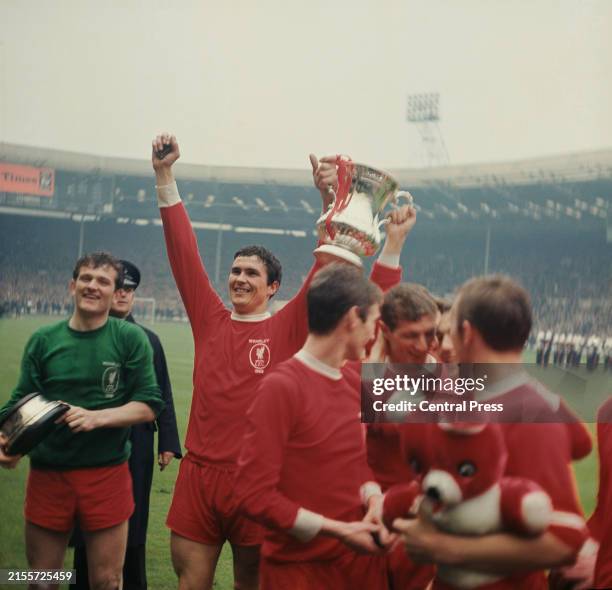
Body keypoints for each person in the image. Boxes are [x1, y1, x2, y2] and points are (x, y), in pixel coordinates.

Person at [151, 133, 414, 590]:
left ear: (273, 287)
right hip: (199, 476)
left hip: (255, 479)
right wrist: (165, 176)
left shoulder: (289, 324)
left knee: (252, 584)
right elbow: (184, 256)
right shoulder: (210, 319)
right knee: (189, 584)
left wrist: (335, 201)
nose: (239, 279)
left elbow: (330, 269)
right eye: (235, 271)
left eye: (251, 273)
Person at [393, 275, 589, 587]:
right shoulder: (470, 398)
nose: (444, 344)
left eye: (450, 330)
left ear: (467, 332)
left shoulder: (530, 414)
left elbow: (563, 542)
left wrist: (444, 549)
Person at [0, 252, 164, 590]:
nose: (93, 285)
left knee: (106, 580)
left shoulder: (129, 339)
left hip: (106, 475)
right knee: (44, 580)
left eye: (103, 280)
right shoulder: (44, 340)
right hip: (49, 475)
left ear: (114, 290)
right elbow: (19, 402)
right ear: (72, 285)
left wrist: (96, 418)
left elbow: (149, 404)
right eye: (86, 278)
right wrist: (6, 440)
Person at [235, 263, 392, 589]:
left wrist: (374, 497)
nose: (373, 334)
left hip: (357, 566)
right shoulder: (282, 387)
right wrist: (337, 529)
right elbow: (253, 495)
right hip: (298, 572)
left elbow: (353, 465)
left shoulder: (351, 380)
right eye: (373, 323)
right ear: (352, 319)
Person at [71, 259, 182, 590]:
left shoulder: (148, 339)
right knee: (86, 523)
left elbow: (163, 392)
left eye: (128, 290)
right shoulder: (79, 336)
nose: (122, 295)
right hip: (90, 443)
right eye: (118, 288)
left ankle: (132, 582)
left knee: (133, 520)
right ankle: (79, 580)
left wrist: (168, 441)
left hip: (137, 444)